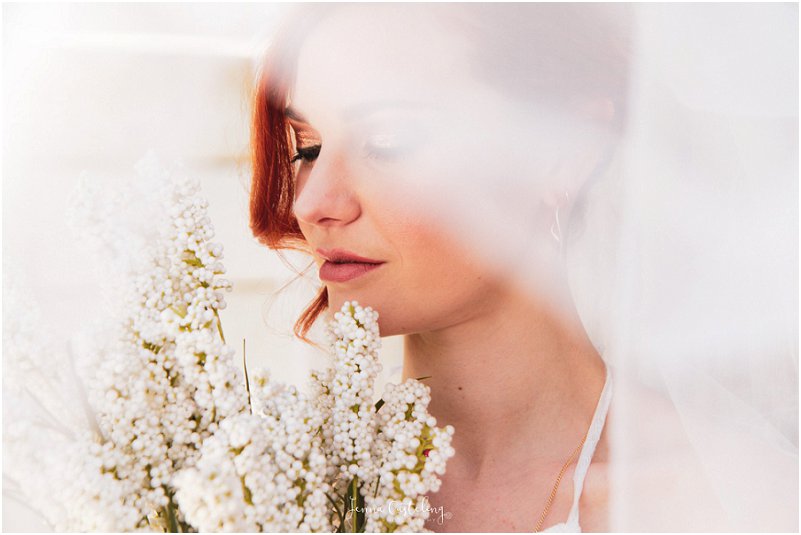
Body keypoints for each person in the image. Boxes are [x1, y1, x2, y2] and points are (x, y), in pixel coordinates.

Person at [250, 4, 631, 532]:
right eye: (308, 148)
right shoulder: (262, 485)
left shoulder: (713, 499)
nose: (312, 204)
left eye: (388, 142)